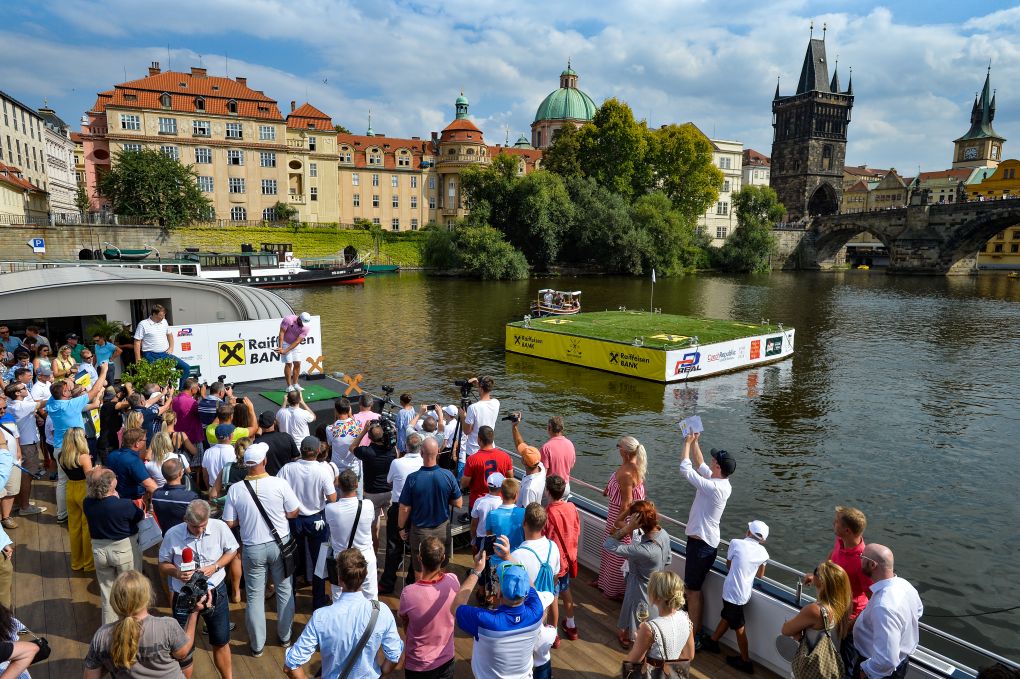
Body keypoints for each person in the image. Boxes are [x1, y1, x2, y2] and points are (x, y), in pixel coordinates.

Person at [221, 441, 300, 656]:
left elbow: (229, 522)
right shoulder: (279, 484)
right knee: (284, 590)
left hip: (252, 548)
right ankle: (284, 637)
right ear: (264, 461)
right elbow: (294, 511)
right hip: (281, 545)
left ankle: (257, 646)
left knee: (255, 597)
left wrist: (244, 520)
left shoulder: (236, 490)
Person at [284, 548, 403, 679]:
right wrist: (380, 674)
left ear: (339, 579)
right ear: (364, 577)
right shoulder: (381, 611)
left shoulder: (321, 616)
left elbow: (291, 666)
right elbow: (394, 655)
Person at [158, 499, 238, 679]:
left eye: (203, 526)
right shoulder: (172, 534)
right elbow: (162, 564)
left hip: (215, 590)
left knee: (221, 640)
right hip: (184, 595)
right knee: (182, 648)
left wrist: (216, 566)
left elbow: (232, 550)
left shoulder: (219, 527)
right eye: (195, 527)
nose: (200, 531)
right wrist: (177, 573)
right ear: (185, 520)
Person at [452, 541, 553, 679]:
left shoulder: (485, 620)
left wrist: (476, 571)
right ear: (526, 594)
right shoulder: (536, 611)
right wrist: (508, 557)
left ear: (498, 592)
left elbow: (456, 607)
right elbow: (532, 588)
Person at [83, 570, 209, 679]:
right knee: (184, 654)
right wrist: (194, 612)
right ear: (147, 597)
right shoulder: (167, 627)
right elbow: (183, 652)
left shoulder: (102, 636)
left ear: (114, 600)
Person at [679, 431, 734, 645]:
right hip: (702, 543)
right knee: (692, 589)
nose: (710, 462)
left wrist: (686, 443)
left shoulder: (714, 488)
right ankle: (694, 630)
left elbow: (686, 469)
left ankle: (694, 636)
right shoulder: (720, 482)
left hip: (701, 546)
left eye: (714, 461)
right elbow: (700, 462)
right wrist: (696, 443)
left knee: (693, 592)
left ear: (718, 467)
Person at [803, 506, 873, 670]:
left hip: (848, 619)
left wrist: (852, 624)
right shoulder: (841, 541)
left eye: (836, 523)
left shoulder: (862, 561)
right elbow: (832, 559)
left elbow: (874, 599)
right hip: (831, 607)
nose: (833, 524)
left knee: (845, 664)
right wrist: (817, 576)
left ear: (847, 530)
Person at [701, 520, 771, 673]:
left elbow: (728, 565)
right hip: (745, 594)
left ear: (748, 532)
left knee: (739, 627)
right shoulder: (764, 553)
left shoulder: (735, 543)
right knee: (728, 616)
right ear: (762, 540)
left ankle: (746, 662)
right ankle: (712, 642)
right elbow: (760, 575)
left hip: (731, 592)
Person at [603, 499, 672, 650]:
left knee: (638, 617)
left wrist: (628, 528)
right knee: (646, 615)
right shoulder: (664, 535)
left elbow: (608, 544)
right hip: (655, 584)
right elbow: (667, 559)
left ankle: (636, 644)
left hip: (639, 588)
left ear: (638, 523)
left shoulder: (643, 550)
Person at [277, 436, 336, 610]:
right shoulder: (322, 470)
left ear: (301, 450)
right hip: (316, 520)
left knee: (292, 561)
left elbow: (278, 490)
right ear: (318, 451)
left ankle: (290, 601)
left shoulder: (288, 469)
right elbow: (332, 497)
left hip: (293, 520)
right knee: (319, 562)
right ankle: (318, 601)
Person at [848, 544, 923, 679]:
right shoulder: (904, 585)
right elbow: (918, 611)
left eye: (862, 557)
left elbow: (886, 660)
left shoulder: (883, 606)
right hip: (900, 663)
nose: (860, 560)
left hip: (877, 672)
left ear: (872, 565)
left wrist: (865, 671)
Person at [397, 437, 462, 585]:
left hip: (420, 532)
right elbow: (458, 503)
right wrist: (444, 497)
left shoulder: (412, 479)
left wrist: (401, 528)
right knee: (441, 564)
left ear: (421, 453)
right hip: (442, 529)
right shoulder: (448, 475)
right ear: (438, 452)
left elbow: (405, 507)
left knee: (420, 569)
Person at [83, 468, 144, 624]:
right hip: (123, 550)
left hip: (99, 550)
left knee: (107, 592)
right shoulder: (123, 505)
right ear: (110, 484)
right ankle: (132, 626)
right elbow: (139, 515)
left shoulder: (87, 503)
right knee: (131, 590)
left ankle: (109, 630)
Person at [398, 536, 459, 679]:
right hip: (446, 658)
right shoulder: (453, 580)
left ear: (419, 558)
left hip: (419, 664)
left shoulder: (409, 593)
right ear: (443, 558)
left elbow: (404, 621)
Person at [782, 560, 853, 678]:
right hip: (831, 665)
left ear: (821, 582)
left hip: (813, 668)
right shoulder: (845, 604)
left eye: (815, 572)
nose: (812, 574)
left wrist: (797, 633)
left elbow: (786, 630)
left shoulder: (815, 610)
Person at [597, 435, 647, 601]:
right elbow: (618, 485)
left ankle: (613, 591)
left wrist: (616, 527)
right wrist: (608, 490)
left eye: (619, 446)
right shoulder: (630, 466)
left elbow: (626, 504)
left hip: (620, 518)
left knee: (615, 556)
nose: (617, 448)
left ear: (625, 452)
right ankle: (603, 583)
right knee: (609, 553)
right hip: (617, 516)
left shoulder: (627, 473)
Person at [378, 430, 425, 594]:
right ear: (420, 448)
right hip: (418, 508)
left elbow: (389, 480)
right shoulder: (424, 463)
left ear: (406, 446)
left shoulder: (397, 463)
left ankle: (387, 582)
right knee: (416, 546)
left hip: (399, 507)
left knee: (393, 545)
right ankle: (412, 581)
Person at [624, 571, 695, 676]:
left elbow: (632, 663)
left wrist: (638, 642)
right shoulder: (685, 617)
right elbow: (689, 655)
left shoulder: (649, 628)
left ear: (656, 596)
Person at [324, 470, 377, 599]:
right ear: (357, 485)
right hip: (365, 557)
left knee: (338, 597)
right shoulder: (368, 505)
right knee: (370, 596)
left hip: (341, 559)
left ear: (339, 486)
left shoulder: (330, 509)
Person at [543, 474, 580, 641]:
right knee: (566, 591)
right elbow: (576, 529)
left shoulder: (549, 512)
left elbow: (546, 538)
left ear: (548, 492)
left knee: (553, 597)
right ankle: (571, 625)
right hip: (569, 558)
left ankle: (554, 632)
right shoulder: (571, 507)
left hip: (555, 564)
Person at [350, 422, 396, 549]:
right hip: (389, 492)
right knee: (391, 526)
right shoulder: (391, 451)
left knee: (374, 527)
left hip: (372, 494)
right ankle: (391, 553)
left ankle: (374, 556)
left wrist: (364, 430)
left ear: (370, 438)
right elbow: (395, 450)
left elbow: (352, 447)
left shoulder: (366, 451)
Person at [3, 381, 43, 518]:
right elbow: (43, 403)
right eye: (24, 388)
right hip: (27, 445)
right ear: (17, 393)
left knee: (21, 475)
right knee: (27, 476)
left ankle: (20, 502)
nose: (27, 389)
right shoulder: (22, 406)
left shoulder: (11, 405)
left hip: (21, 444)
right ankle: (25, 506)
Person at [59, 427, 94, 572]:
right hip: (83, 489)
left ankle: (77, 562)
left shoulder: (62, 455)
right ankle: (89, 564)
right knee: (87, 527)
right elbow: (90, 478)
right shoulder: (83, 456)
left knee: (73, 527)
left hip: (70, 488)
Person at [133, 304, 190, 389]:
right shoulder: (143, 324)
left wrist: (171, 348)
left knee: (185, 367)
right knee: (157, 378)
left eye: (164, 314)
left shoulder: (164, 321)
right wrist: (138, 359)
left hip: (164, 354)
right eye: (161, 315)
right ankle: (158, 396)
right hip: (150, 355)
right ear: (154, 314)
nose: (163, 317)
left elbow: (169, 335)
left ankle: (181, 392)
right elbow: (137, 342)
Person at [461, 426, 513, 509]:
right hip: (498, 501)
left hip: (478, 501)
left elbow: (464, 483)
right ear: (492, 439)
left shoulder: (472, 459)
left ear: (479, 439)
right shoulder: (505, 457)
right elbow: (510, 478)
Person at [106, 428, 158, 502]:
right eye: (144, 440)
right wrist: (164, 496)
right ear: (137, 444)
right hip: (131, 501)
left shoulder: (111, 455)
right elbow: (149, 485)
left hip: (115, 499)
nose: (145, 442)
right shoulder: (134, 461)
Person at [151, 458, 200, 534]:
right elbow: (198, 520)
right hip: (185, 540)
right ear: (180, 473)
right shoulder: (190, 497)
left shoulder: (156, 495)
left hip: (166, 537)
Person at [459, 376, 499, 460]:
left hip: (474, 450)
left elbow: (466, 431)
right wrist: (479, 384)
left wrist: (463, 417)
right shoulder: (496, 403)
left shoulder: (473, 408)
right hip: (490, 447)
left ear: (480, 387)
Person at [324, 398, 361, 486]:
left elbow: (330, 444)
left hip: (338, 469)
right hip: (354, 467)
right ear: (349, 410)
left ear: (336, 411)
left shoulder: (330, 429)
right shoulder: (358, 425)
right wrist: (351, 415)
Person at [485, 477, 526, 552]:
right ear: (516, 495)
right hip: (517, 558)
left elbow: (489, 537)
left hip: (497, 559)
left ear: (501, 493)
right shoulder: (524, 512)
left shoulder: (491, 514)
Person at [275, 312, 312, 393]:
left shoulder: (307, 327)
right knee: (288, 363)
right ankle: (289, 386)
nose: (303, 325)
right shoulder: (288, 320)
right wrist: (281, 347)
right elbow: (281, 333)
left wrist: (286, 350)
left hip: (295, 343)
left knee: (297, 363)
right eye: (302, 322)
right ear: (299, 318)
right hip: (285, 341)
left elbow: (298, 341)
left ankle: (295, 384)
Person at [539, 415, 575, 497]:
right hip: (565, 487)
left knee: (546, 509)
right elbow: (571, 465)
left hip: (552, 490)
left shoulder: (546, 447)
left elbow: (543, 473)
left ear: (549, 428)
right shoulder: (570, 444)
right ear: (562, 429)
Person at [256, 411, 299, 476]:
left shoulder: (257, 442)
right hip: (287, 476)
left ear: (260, 425)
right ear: (274, 422)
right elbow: (295, 457)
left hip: (270, 478)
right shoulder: (286, 436)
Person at [469, 472, 504, 553]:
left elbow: (474, 524)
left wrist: (473, 541)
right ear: (501, 487)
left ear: (487, 485)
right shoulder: (502, 503)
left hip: (481, 538)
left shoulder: (479, 501)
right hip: (498, 539)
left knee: (481, 562)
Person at [203, 424, 237, 500]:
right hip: (229, 491)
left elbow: (205, 475)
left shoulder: (207, 452)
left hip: (213, 491)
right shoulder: (235, 452)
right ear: (230, 436)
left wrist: (210, 489)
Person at [170, 378, 205, 453]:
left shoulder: (175, 400)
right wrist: (203, 396)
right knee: (196, 464)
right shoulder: (192, 402)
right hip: (193, 438)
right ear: (192, 389)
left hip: (178, 438)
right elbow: (203, 414)